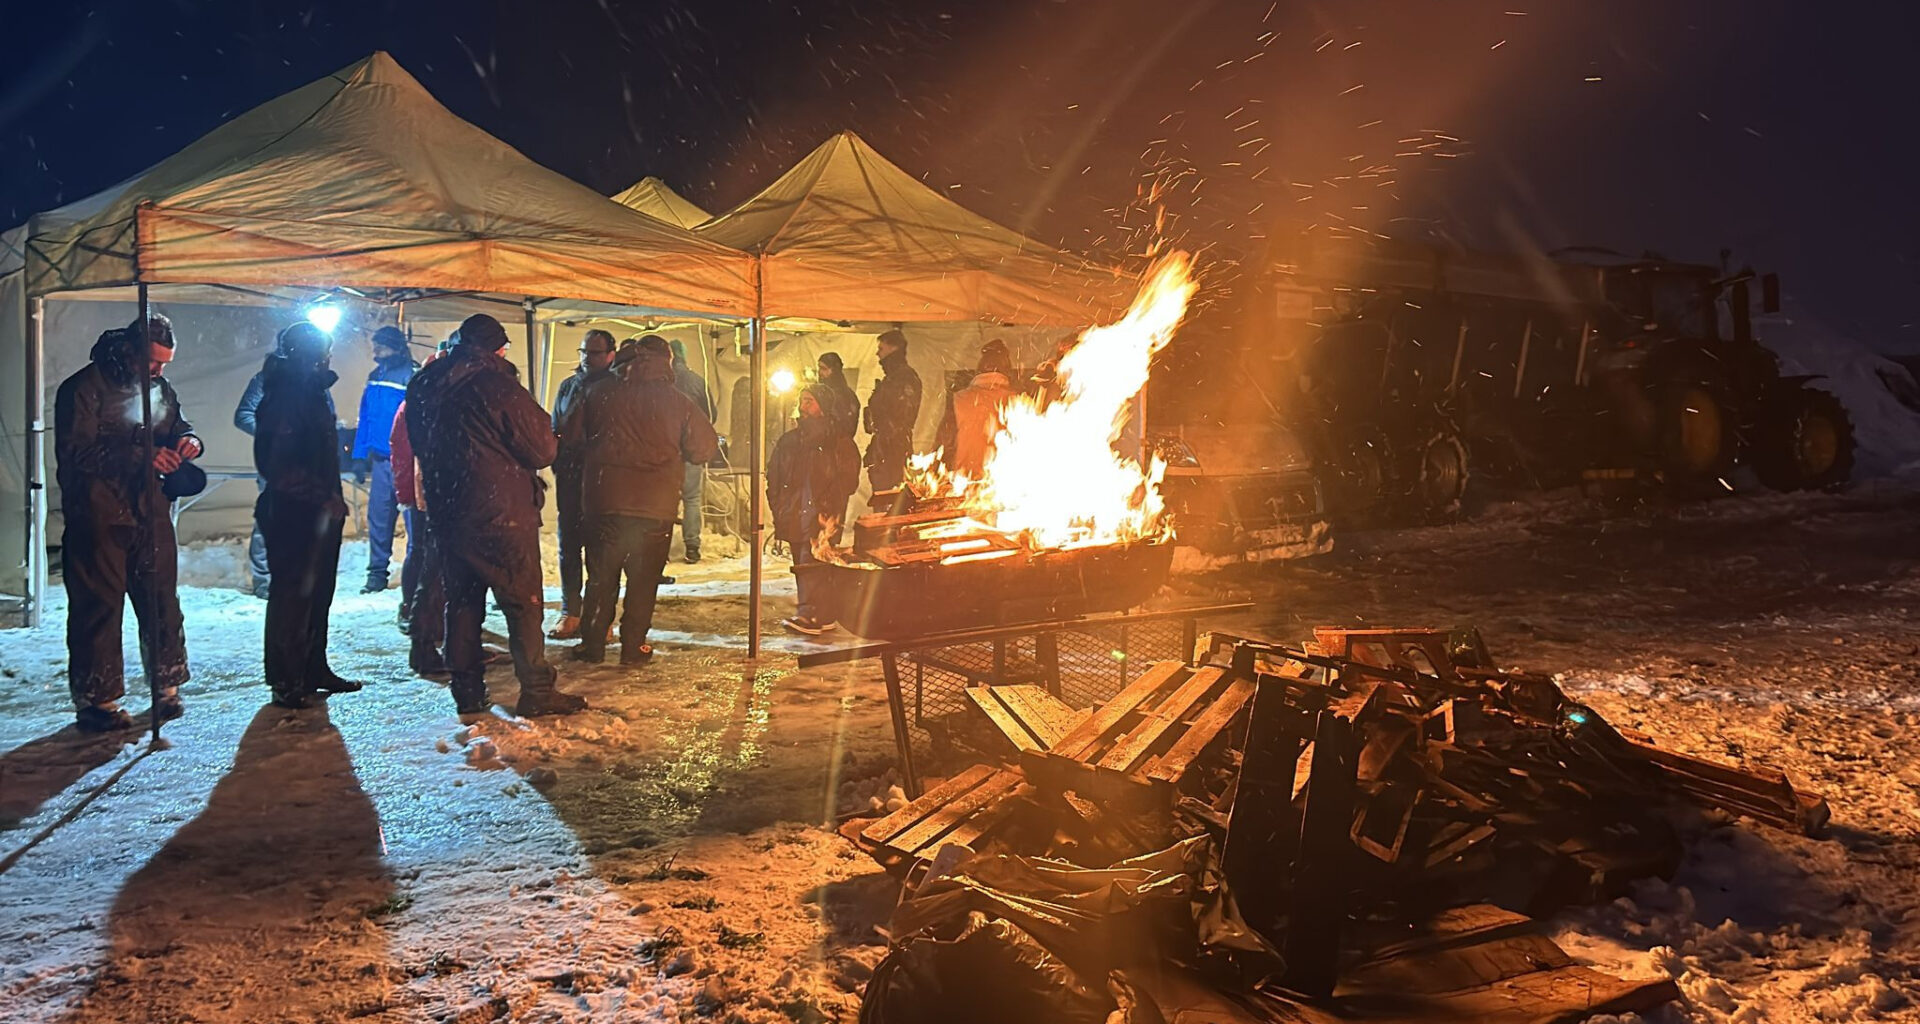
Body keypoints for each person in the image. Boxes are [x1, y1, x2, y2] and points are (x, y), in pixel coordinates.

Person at [406, 314, 584, 717]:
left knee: (463, 604)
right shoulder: (498, 386)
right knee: (522, 605)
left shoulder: (424, 383)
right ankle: (536, 692)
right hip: (500, 514)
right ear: (498, 348)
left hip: (449, 512)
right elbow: (542, 450)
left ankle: (467, 692)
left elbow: (419, 442)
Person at [54, 315, 202, 731]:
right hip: (98, 513)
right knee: (99, 605)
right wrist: (140, 456)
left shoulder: (158, 388)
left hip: (149, 508)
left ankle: (167, 684)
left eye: (165, 364)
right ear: (130, 350)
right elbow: (77, 453)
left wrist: (188, 441)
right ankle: (99, 699)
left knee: (161, 599)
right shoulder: (83, 389)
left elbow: (178, 424)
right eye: (154, 362)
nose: (159, 371)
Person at [572, 335, 719, 666]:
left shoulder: (597, 393)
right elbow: (704, 448)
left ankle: (592, 644)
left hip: (604, 502)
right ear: (665, 363)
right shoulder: (676, 400)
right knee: (643, 580)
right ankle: (633, 646)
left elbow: (568, 436)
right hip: (654, 507)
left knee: (600, 578)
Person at [254, 322, 362, 708]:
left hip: (316, 512)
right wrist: (323, 497)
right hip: (293, 513)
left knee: (317, 594)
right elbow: (277, 464)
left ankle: (312, 667)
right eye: (324, 352)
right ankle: (287, 679)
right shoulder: (287, 394)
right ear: (312, 355)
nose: (329, 358)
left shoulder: (311, 392)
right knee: (293, 596)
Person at [769, 386, 860, 636]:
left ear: (823, 405)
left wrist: (830, 505)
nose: (803, 406)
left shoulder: (838, 441)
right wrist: (779, 506)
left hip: (822, 515)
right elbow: (774, 477)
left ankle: (814, 614)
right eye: (802, 401)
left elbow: (849, 480)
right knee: (802, 561)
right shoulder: (790, 441)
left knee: (818, 563)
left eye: (809, 401)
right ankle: (817, 613)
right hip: (794, 511)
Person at [547, 329, 618, 639]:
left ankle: (598, 618)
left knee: (600, 553)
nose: (587, 359)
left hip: (603, 482)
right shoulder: (569, 386)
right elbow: (555, 428)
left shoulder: (617, 389)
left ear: (610, 355)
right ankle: (571, 611)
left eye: (594, 353)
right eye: (583, 352)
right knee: (569, 548)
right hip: (572, 480)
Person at [389, 352, 447, 675]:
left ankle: (422, 615)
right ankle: (418, 614)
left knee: (423, 554)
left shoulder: (416, 403)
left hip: (420, 492)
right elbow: (402, 452)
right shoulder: (419, 405)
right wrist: (408, 493)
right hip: (422, 494)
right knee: (423, 554)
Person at [353, 326, 417, 593]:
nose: (375, 351)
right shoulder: (375, 375)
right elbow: (365, 417)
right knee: (379, 518)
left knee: (414, 520)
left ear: (395, 346)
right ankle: (377, 574)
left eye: (380, 345)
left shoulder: (410, 376)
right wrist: (359, 454)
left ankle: (418, 571)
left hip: (407, 461)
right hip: (381, 461)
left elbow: (416, 419)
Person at [935, 339, 1017, 479]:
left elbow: (944, 442)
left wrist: (936, 474)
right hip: (1003, 485)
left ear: (980, 369)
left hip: (963, 482)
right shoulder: (1020, 403)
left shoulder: (960, 399)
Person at [668, 338, 716, 563]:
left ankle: (661, 547)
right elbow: (712, 415)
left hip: (665, 452)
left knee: (664, 500)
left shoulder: (662, 381)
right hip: (692, 451)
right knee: (692, 499)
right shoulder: (697, 381)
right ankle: (692, 547)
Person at [862, 329, 923, 494]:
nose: (877, 353)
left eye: (881, 348)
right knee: (882, 499)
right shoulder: (891, 378)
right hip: (884, 450)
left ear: (893, 348)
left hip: (893, 452)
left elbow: (901, 417)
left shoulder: (904, 378)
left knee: (891, 500)